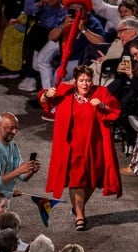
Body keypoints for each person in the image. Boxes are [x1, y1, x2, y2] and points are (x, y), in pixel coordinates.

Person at [40, 65, 122, 231]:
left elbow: (115, 109)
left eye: (88, 80)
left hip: (94, 146)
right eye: (82, 80)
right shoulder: (66, 91)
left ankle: (78, 206)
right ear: (75, 82)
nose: (85, 84)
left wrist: (102, 105)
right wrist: (45, 95)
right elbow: (46, 101)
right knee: (76, 181)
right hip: (72, 147)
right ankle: (80, 216)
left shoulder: (101, 92)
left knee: (92, 181)